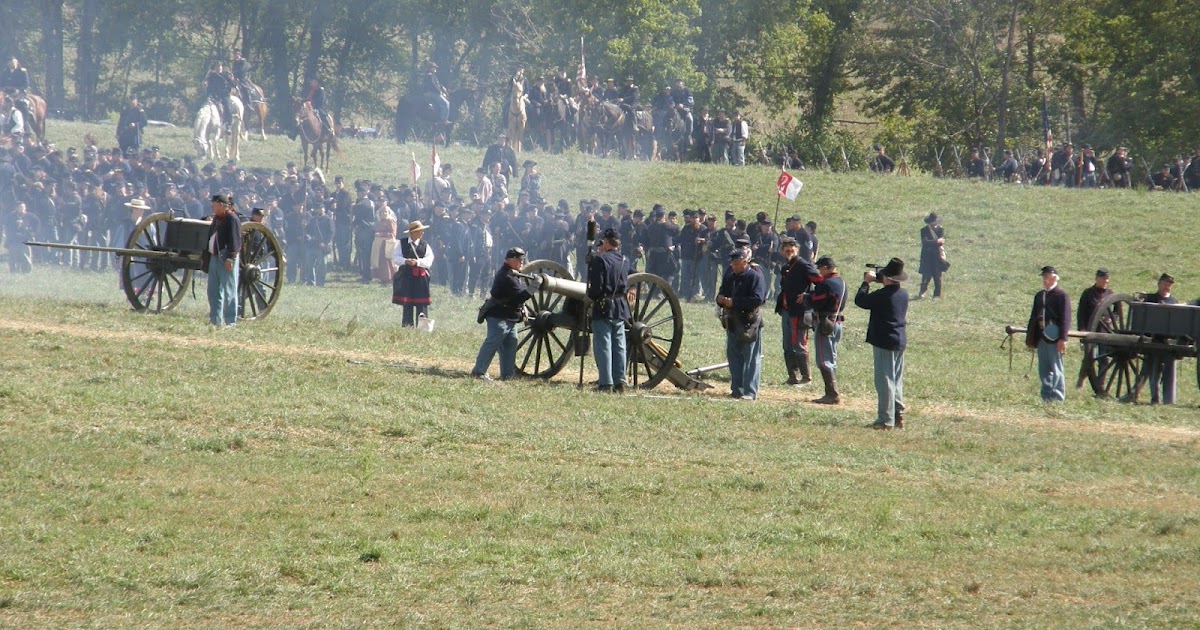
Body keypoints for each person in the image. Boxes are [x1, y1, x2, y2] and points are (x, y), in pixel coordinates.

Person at [856, 258, 910, 430]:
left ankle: (885, 420)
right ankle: (898, 414)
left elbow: (861, 301)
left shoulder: (882, 295)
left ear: (887, 277)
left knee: (885, 380)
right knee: (896, 379)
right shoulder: (903, 294)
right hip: (899, 339)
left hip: (884, 340)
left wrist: (866, 282)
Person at [470, 247, 535, 381]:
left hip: (510, 316)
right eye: (518, 259)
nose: (521, 262)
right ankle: (479, 372)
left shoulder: (513, 273)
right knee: (492, 343)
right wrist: (534, 287)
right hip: (499, 316)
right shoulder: (506, 276)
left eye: (522, 259)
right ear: (510, 260)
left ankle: (507, 374)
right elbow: (519, 297)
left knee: (510, 346)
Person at [717, 249, 767, 400]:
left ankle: (750, 392)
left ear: (745, 262)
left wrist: (734, 302)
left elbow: (758, 299)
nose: (734, 266)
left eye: (737, 263)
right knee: (734, 357)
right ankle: (737, 390)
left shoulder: (755, 276)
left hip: (748, 321)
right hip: (732, 321)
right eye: (732, 264)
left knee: (751, 358)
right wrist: (720, 299)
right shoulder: (730, 277)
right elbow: (721, 292)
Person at [587, 228, 632, 392]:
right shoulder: (625, 260)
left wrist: (589, 296)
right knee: (619, 345)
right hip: (620, 306)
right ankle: (620, 381)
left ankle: (605, 383)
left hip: (603, 306)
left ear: (606, 242)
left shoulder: (600, 260)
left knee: (603, 345)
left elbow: (596, 288)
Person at [776, 237, 821, 386]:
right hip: (787, 310)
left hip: (800, 312)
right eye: (786, 248)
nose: (789, 251)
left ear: (797, 249)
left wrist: (809, 296)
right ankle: (792, 376)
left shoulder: (803, 265)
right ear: (782, 251)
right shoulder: (786, 267)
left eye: (792, 248)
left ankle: (806, 378)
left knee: (799, 345)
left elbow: (820, 282)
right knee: (788, 345)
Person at [1025, 266, 1071, 403]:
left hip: (1054, 337)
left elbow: (1065, 318)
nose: (1045, 279)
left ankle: (1057, 398)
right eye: (1044, 277)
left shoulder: (1062, 295)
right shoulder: (1040, 295)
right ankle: (1046, 398)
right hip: (1041, 336)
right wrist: (1031, 337)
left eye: (1048, 277)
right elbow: (1033, 316)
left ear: (1055, 278)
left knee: (1056, 369)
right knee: (1044, 370)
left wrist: (1063, 338)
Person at [810, 256, 847, 404]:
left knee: (824, 360)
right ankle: (832, 392)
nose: (819, 271)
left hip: (825, 322)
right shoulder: (841, 282)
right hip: (837, 322)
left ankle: (832, 394)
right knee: (831, 358)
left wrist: (807, 297)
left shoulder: (827, 283)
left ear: (826, 267)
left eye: (820, 268)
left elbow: (817, 301)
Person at [206, 194, 242, 327]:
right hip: (215, 258)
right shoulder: (216, 219)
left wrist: (231, 258)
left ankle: (231, 322)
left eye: (214, 203)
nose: (211, 206)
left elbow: (235, 240)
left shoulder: (232, 219)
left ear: (221, 205)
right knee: (213, 291)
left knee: (229, 291)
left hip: (226, 258)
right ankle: (215, 320)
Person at [1143, 273, 1179, 405]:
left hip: (1169, 342)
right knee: (1154, 372)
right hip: (1153, 339)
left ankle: (1168, 400)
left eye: (1169, 285)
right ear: (1159, 284)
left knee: (1169, 372)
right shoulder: (1150, 298)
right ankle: (1155, 398)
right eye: (1164, 284)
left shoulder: (1174, 302)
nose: (1166, 287)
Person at [392, 220, 434, 327]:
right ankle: (407, 326)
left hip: (421, 278)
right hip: (407, 276)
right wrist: (405, 261)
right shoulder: (401, 243)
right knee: (407, 303)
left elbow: (429, 260)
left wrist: (417, 262)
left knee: (422, 304)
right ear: (412, 233)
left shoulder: (425, 245)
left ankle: (422, 327)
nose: (422, 233)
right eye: (420, 231)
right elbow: (395, 257)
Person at [918, 212, 946, 299]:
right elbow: (925, 243)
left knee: (937, 277)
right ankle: (922, 291)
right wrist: (936, 242)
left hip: (937, 256)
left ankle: (937, 294)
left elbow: (941, 242)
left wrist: (936, 243)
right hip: (927, 256)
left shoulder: (940, 230)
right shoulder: (924, 230)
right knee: (926, 276)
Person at [205, 62, 235, 128]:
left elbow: (232, 85)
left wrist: (232, 80)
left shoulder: (226, 75)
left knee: (228, 108)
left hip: (224, 95)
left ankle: (228, 124)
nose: (219, 68)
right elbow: (209, 87)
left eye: (220, 66)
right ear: (214, 68)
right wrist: (208, 95)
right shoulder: (211, 76)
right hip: (214, 96)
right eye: (217, 66)